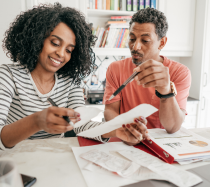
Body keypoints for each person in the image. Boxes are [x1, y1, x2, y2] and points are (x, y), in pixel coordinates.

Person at [0, 3, 148, 151]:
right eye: (55, 43)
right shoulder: (8, 76)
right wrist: (36, 121)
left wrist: (118, 130)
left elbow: (82, 126)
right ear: (37, 39)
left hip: (52, 159)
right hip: (14, 163)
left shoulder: (69, 83)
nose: (61, 54)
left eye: (69, 50)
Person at [103, 8, 191, 142]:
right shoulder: (115, 69)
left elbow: (172, 127)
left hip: (159, 145)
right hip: (123, 142)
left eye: (145, 40)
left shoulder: (180, 72)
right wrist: (126, 129)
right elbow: (110, 110)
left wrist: (166, 91)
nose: (135, 46)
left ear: (161, 43)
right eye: (132, 38)